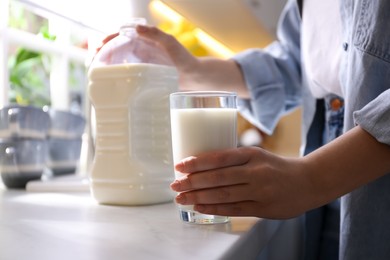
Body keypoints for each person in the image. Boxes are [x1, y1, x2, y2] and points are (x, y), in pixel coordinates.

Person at [99, 0, 390, 259]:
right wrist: (191, 69)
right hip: (327, 148)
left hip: (366, 161)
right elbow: (292, 64)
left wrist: (313, 177)